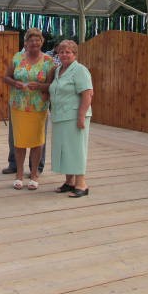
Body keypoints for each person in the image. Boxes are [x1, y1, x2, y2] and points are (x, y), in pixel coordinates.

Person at [2, 28, 55, 190]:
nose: (34, 42)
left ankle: (34, 175)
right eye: (31, 40)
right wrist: (14, 83)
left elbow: (51, 85)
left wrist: (39, 86)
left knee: (37, 142)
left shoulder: (48, 61)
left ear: (42, 42)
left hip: (38, 108)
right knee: (19, 141)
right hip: (18, 107)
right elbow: (6, 77)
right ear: (26, 43)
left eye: (37, 39)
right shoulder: (17, 58)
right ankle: (19, 175)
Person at [49, 40, 94, 198]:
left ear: (74, 54)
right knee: (64, 150)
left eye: (68, 52)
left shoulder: (80, 70)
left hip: (74, 117)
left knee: (76, 149)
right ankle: (69, 182)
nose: (64, 55)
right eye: (61, 52)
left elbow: (88, 94)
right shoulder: (58, 70)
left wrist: (81, 116)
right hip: (60, 116)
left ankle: (81, 184)